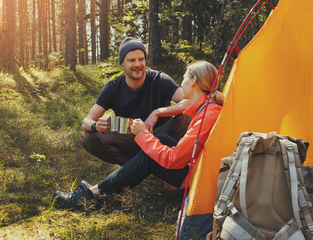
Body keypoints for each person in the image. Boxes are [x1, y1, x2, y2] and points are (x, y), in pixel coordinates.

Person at [54, 61, 224, 210]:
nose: (182, 82)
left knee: (149, 157)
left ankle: (91, 194)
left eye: (184, 78)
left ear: (193, 82)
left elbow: (174, 159)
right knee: (161, 140)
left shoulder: (206, 116)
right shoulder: (209, 107)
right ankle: (120, 183)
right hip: (200, 170)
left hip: (199, 179)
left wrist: (142, 133)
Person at [81, 37, 192, 165]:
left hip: (160, 136)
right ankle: (132, 167)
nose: (138, 64)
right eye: (131, 60)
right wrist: (95, 126)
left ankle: (173, 165)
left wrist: (157, 112)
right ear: (122, 63)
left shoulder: (159, 79)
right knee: (89, 138)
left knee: (186, 117)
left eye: (141, 59)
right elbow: (86, 122)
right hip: (130, 139)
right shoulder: (113, 88)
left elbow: (190, 102)